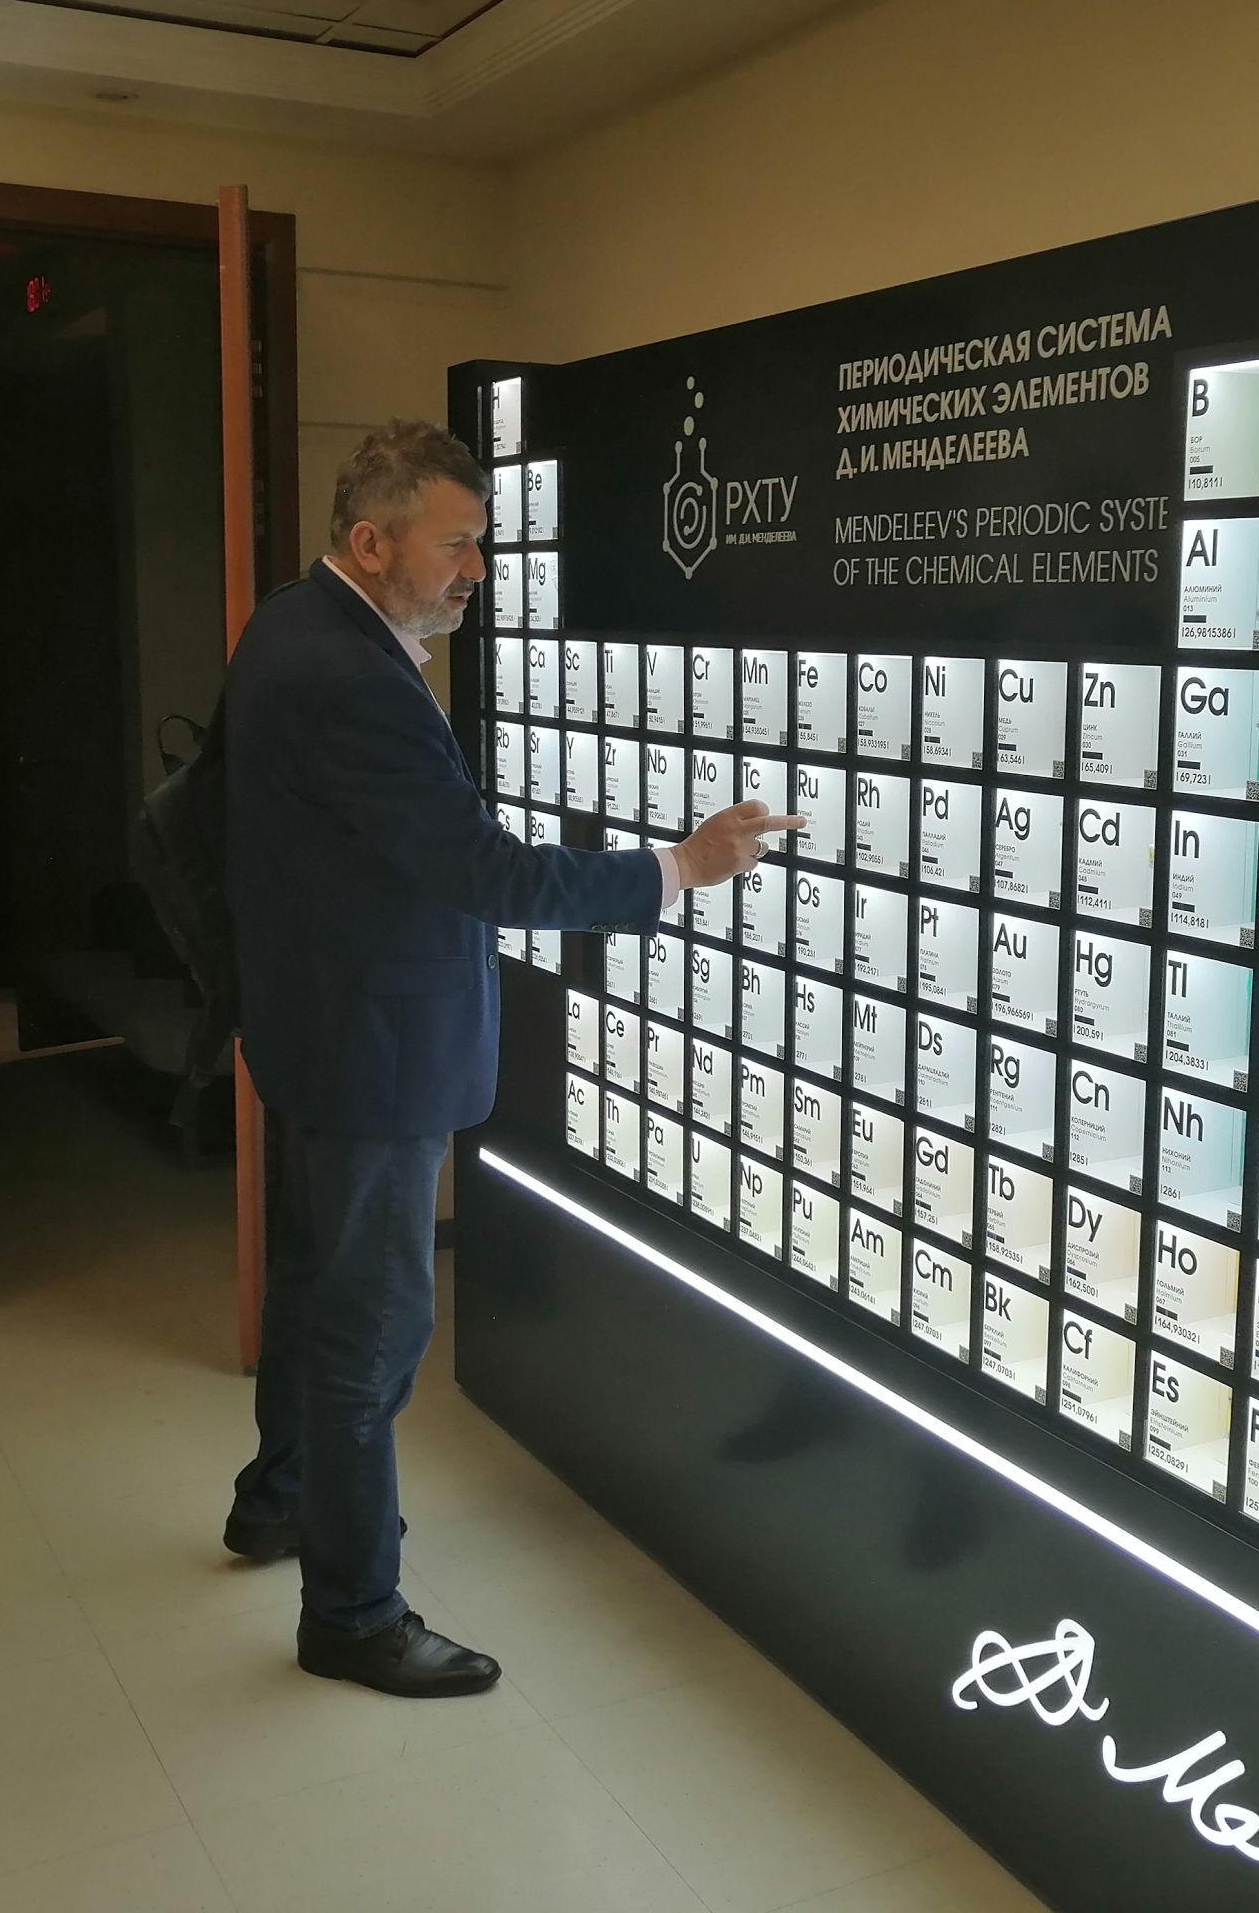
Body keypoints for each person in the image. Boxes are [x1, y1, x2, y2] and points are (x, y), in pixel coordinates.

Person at [220, 419, 798, 1698]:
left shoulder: (287, 628)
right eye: (457, 545)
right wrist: (680, 867)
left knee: (314, 1284)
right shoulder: (354, 680)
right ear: (372, 543)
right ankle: (353, 1615)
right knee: (374, 1331)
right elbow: (484, 872)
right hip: (375, 1053)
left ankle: (280, 1498)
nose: (478, 570)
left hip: (315, 1027)